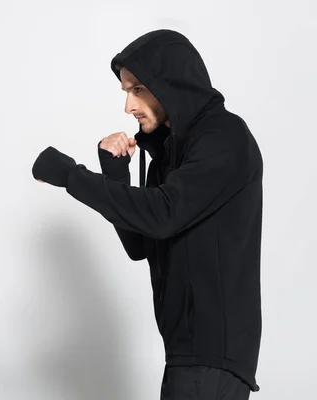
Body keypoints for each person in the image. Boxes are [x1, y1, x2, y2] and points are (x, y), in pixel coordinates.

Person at [31, 29, 263, 400]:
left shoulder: (224, 137)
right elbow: (141, 242)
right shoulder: (170, 157)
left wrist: (70, 175)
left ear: (171, 84)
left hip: (212, 357)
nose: (128, 107)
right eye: (126, 92)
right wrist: (116, 171)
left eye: (137, 89)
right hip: (186, 355)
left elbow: (162, 215)